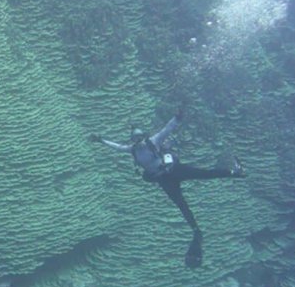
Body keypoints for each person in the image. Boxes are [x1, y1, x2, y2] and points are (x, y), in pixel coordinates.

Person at [90, 109, 245, 268]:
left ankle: (234, 172)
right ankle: (195, 229)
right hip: (163, 179)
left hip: (172, 170)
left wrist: (177, 117)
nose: (138, 140)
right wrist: (101, 140)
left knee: (203, 174)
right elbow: (117, 147)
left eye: (140, 137)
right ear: (133, 140)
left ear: (144, 135)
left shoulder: (153, 141)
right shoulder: (132, 150)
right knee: (180, 203)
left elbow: (167, 129)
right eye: (135, 138)